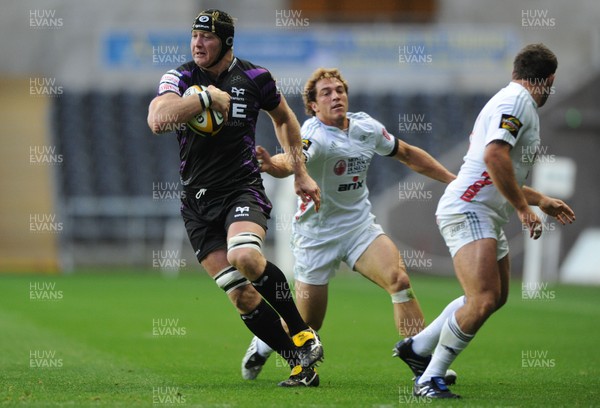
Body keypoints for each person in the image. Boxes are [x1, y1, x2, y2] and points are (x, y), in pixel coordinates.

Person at [240, 68, 456, 381]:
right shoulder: (313, 135)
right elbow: (291, 161)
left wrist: (451, 180)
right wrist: (273, 165)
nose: (335, 96)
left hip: (359, 228)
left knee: (399, 281)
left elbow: (407, 154)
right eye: (326, 93)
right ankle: (262, 344)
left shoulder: (366, 126)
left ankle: (422, 361)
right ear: (313, 105)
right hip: (316, 236)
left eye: (339, 90)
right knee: (309, 322)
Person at [147, 9, 324, 387]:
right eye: (194, 36)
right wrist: (206, 99)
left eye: (207, 37)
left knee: (244, 255)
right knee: (241, 296)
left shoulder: (256, 77)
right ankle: (299, 363)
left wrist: (299, 171)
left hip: (242, 188)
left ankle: (302, 332)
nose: (198, 43)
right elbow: (158, 119)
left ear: (227, 42)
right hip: (195, 202)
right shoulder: (180, 77)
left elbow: (285, 119)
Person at [394, 43, 575, 399]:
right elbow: (495, 156)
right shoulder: (518, 102)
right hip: (469, 208)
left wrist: (540, 201)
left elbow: (494, 167)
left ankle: (417, 348)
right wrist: (524, 208)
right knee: (482, 299)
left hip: (484, 210)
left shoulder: (508, 100)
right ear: (549, 79)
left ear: (516, 72)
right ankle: (430, 378)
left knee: (496, 296)